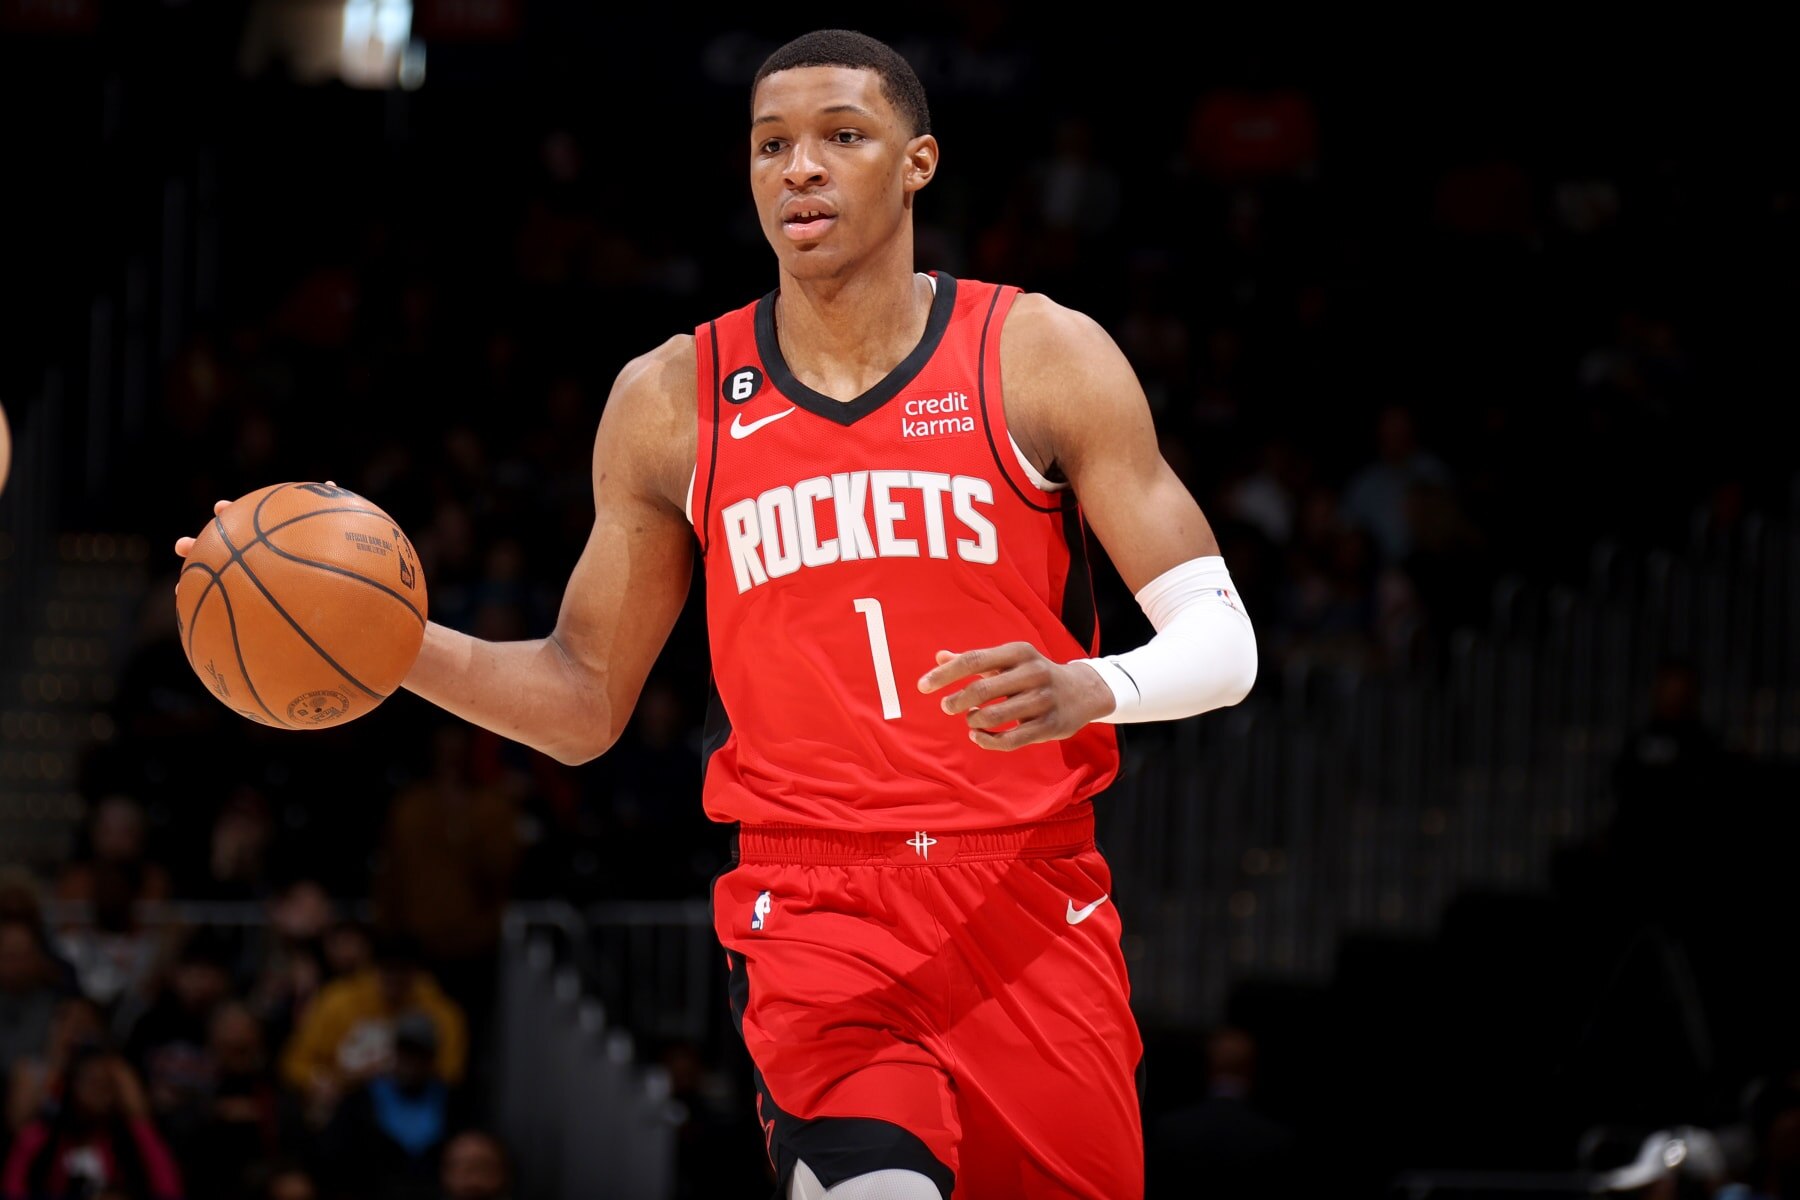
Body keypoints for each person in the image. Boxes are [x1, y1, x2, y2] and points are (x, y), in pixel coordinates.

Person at [178, 28, 1258, 1200]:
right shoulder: (673, 400)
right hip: (819, 910)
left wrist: (1094, 685)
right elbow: (584, 700)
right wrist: (385, 644)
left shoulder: (1039, 356)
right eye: (771, 145)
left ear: (919, 163)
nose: (800, 167)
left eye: (842, 137)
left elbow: (1224, 640)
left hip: (1031, 897)